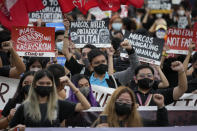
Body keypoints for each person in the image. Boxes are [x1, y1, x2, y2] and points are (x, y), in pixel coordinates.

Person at [8, 70, 90, 128]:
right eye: (41, 83)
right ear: (35, 85)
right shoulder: (25, 106)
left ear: (52, 85)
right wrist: (17, 128)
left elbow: (86, 106)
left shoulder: (59, 104)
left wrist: (71, 84)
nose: (44, 85)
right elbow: (11, 128)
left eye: (48, 83)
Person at [92, 86, 168, 127]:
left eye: (128, 101)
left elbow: (162, 126)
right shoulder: (103, 122)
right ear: (113, 102)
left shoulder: (139, 121)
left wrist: (161, 106)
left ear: (132, 104)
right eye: (120, 101)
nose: (124, 103)